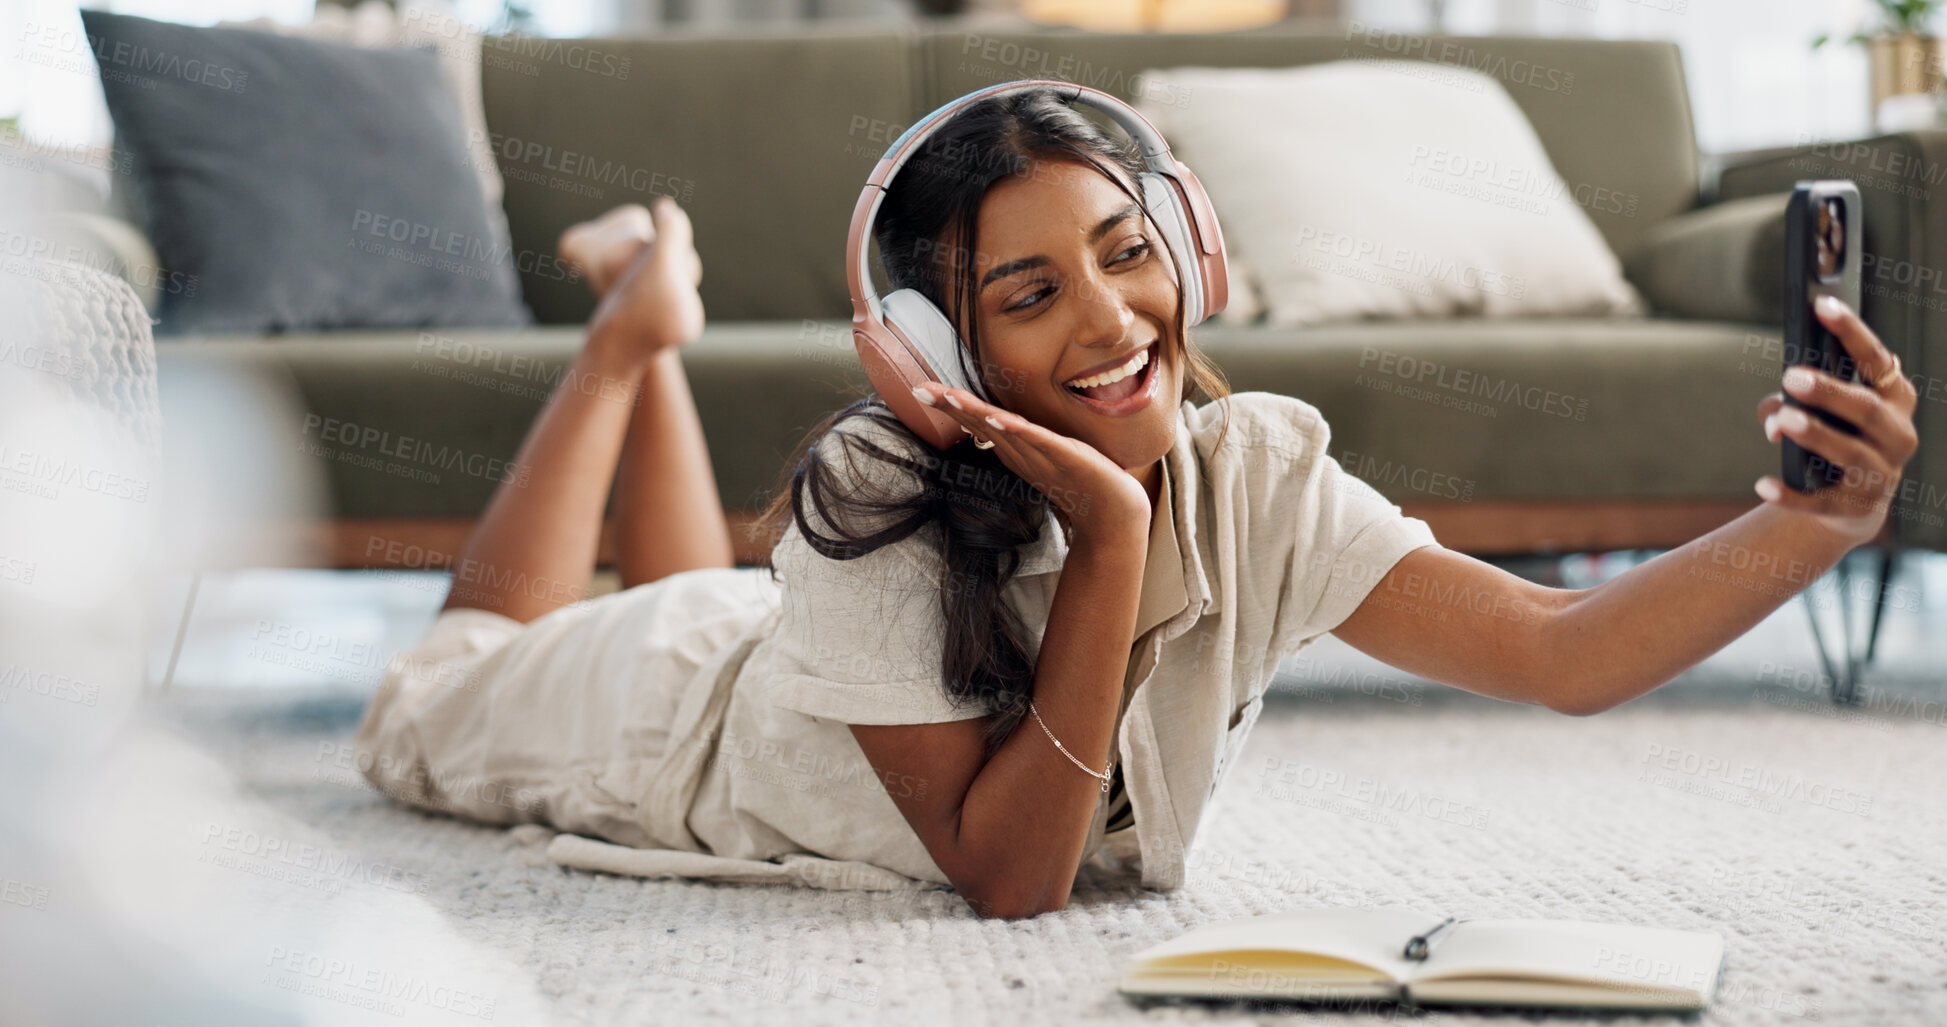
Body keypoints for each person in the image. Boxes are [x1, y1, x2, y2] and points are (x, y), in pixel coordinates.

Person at [355, 88, 1919, 920]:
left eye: (1123, 249)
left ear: (1189, 242)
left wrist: (1817, 525)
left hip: (779, 655)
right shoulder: (875, 486)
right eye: (1030, 294)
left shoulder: (1253, 470)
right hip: (670, 730)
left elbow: (1564, 653)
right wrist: (1110, 538)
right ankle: (630, 336)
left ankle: (648, 337)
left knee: (693, 592)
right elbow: (1010, 879)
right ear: (936, 356)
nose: (1110, 320)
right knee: (440, 686)